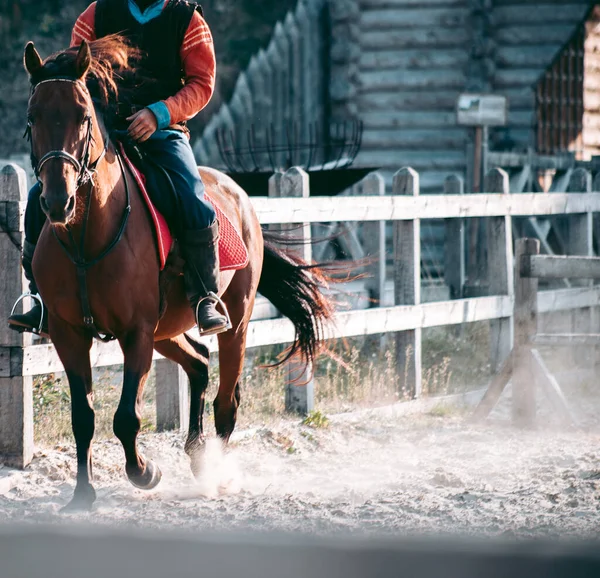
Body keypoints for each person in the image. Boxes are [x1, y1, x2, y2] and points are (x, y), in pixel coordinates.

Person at [8, 0, 230, 336]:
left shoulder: (187, 19)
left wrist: (160, 113)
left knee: (192, 197)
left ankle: (204, 297)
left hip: (163, 130)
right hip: (101, 129)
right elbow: (74, 77)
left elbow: (202, 84)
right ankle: (39, 300)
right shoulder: (96, 13)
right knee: (42, 193)